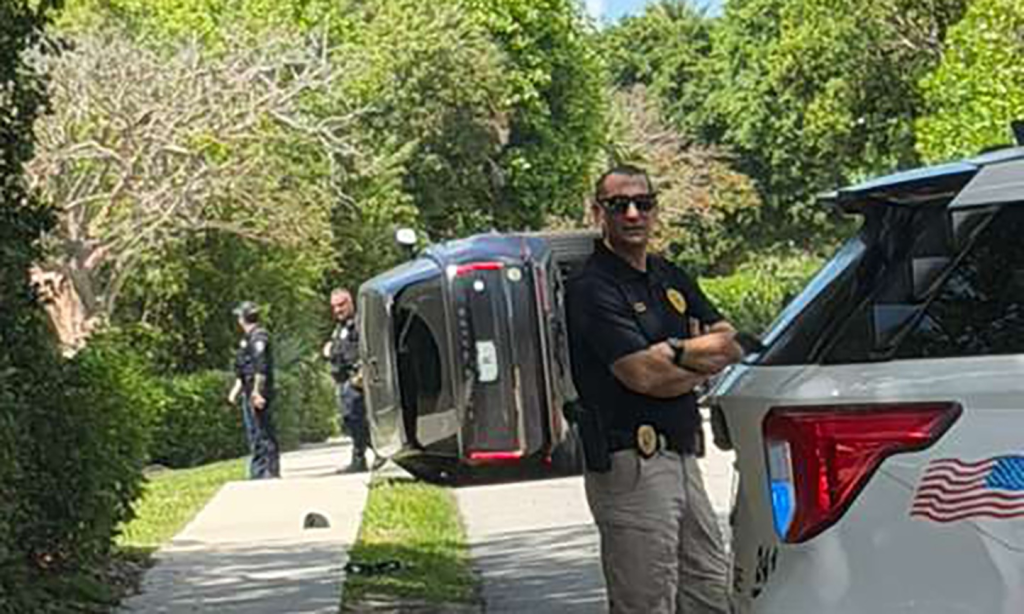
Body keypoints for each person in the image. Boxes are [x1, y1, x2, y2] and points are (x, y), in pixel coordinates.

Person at [566, 165, 745, 614]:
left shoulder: (669, 276)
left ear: (655, 210)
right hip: (631, 462)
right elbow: (642, 376)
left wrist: (675, 354)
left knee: (708, 591)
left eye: (643, 204)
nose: (632, 213)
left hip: (684, 455)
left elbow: (730, 341)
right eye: (618, 205)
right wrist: (697, 359)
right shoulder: (591, 287)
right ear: (597, 212)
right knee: (645, 601)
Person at [228, 301, 281, 479]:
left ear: (243, 318)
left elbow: (260, 367)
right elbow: (244, 369)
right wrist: (235, 391)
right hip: (248, 391)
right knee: (255, 433)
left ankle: (270, 470)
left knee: (264, 431)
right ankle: (257, 471)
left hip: (257, 392)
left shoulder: (259, 337)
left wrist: (257, 392)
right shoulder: (248, 338)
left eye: (239, 316)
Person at [322, 288, 370, 473]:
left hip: (355, 381)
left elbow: (361, 351)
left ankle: (360, 459)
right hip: (343, 381)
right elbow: (339, 349)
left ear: (350, 303)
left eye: (341, 305)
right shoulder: (340, 327)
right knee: (349, 421)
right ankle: (361, 457)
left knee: (354, 418)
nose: (337, 310)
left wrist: (359, 377)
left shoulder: (359, 323)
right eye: (334, 306)